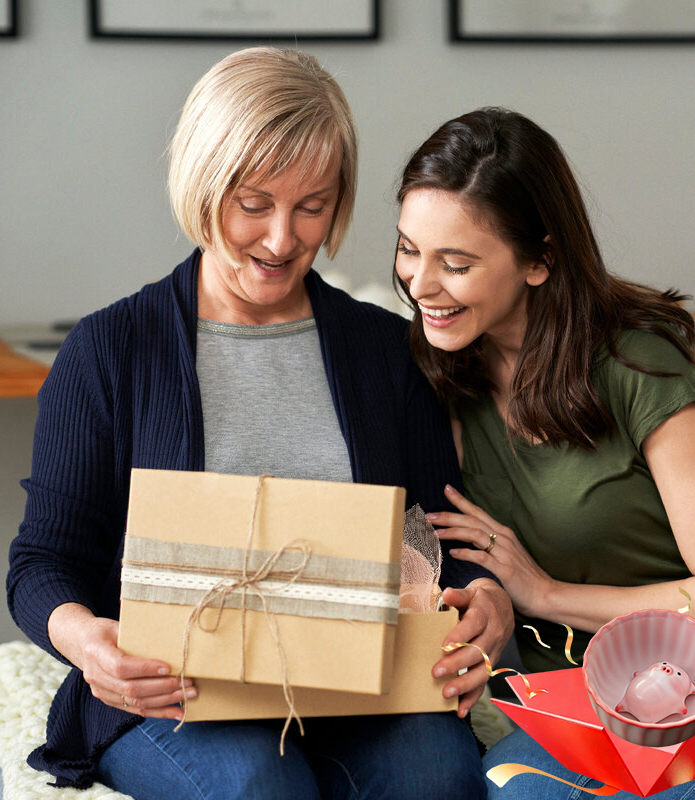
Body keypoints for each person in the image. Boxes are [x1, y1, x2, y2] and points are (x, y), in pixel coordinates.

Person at [6, 51, 514, 799]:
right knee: (255, 786)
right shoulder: (110, 350)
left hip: (366, 689)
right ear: (202, 185)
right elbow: (42, 562)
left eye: (312, 205)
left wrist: (487, 599)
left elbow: (442, 540)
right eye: (253, 203)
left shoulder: (387, 351)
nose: (282, 239)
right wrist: (86, 641)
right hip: (176, 695)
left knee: (436, 777)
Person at [392, 107, 695, 799]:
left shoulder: (637, 363)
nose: (420, 285)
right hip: (582, 703)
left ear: (540, 259)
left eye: (455, 263)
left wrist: (545, 595)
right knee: (511, 788)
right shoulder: (441, 373)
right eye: (409, 250)